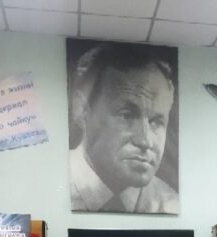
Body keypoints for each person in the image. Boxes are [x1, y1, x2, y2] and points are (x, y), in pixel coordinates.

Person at [69, 44, 178, 214]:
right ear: (81, 110)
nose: (145, 142)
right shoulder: (47, 186)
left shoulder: (170, 204)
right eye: (126, 116)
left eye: (156, 122)